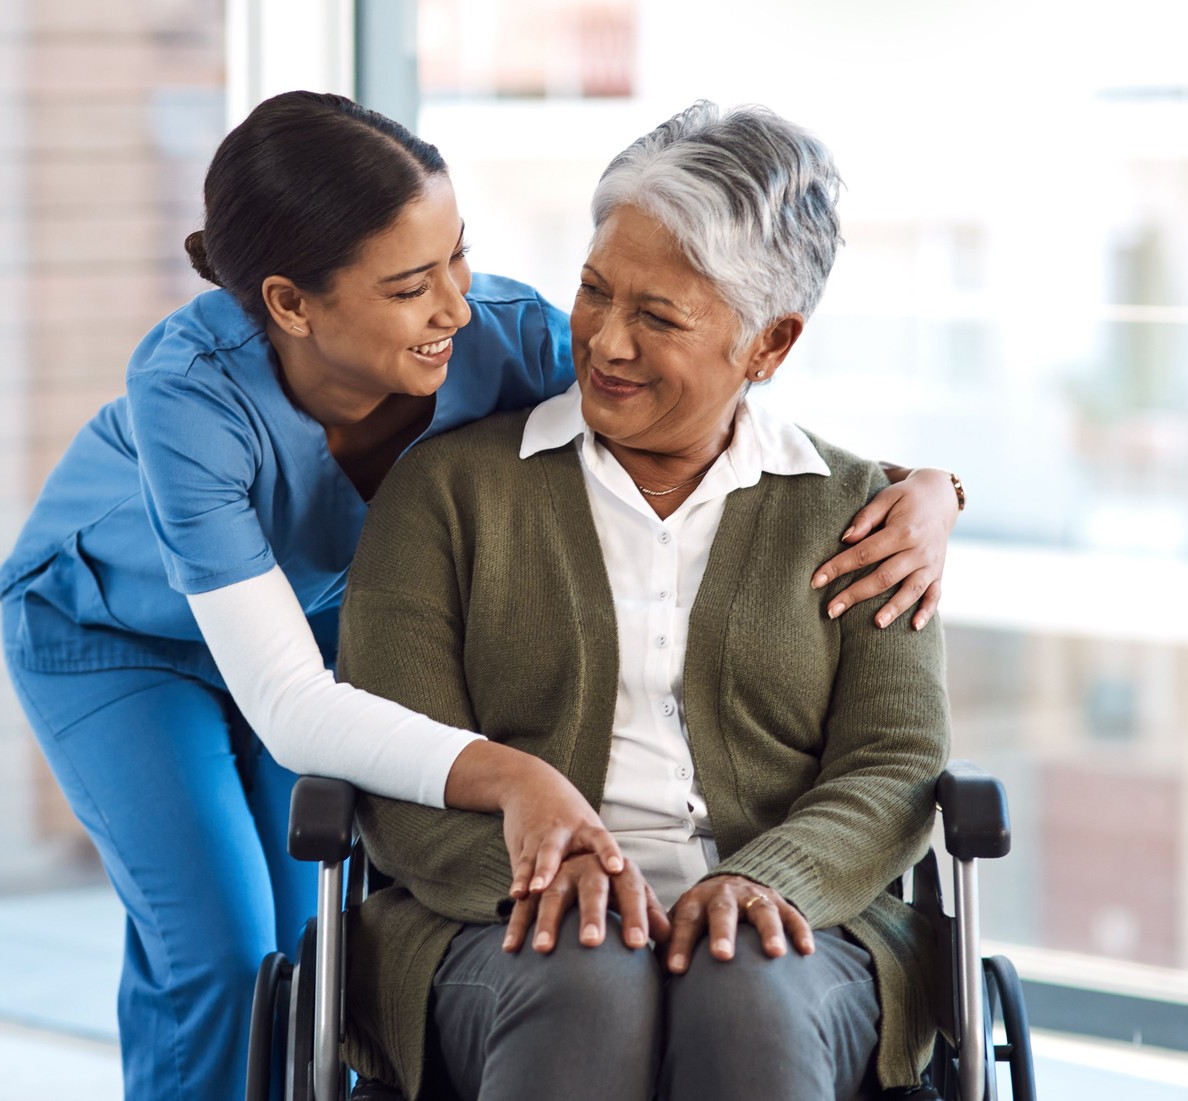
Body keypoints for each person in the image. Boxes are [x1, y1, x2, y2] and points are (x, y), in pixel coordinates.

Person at [0, 91, 961, 1101]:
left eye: (460, 257)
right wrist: (516, 784)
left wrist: (931, 491)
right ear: (291, 305)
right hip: (119, 637)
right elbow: (292, 708)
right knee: (222, 951)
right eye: (414, 284)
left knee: (296, 949)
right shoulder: (190, 394)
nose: (456, 304)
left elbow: (730, 434)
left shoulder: (504, 339)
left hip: (305, 623)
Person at [337, 101, 951, 1101]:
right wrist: (545, 884)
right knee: (585, 971)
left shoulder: (863, 520)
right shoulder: (448, 493)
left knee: (744, 980)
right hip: (498, 926)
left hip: (798, 934)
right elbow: (399, 748)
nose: (607, 343)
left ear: (769, 345)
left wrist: (768, 880)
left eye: (658, 316)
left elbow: (895, 761)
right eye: (593, 292)